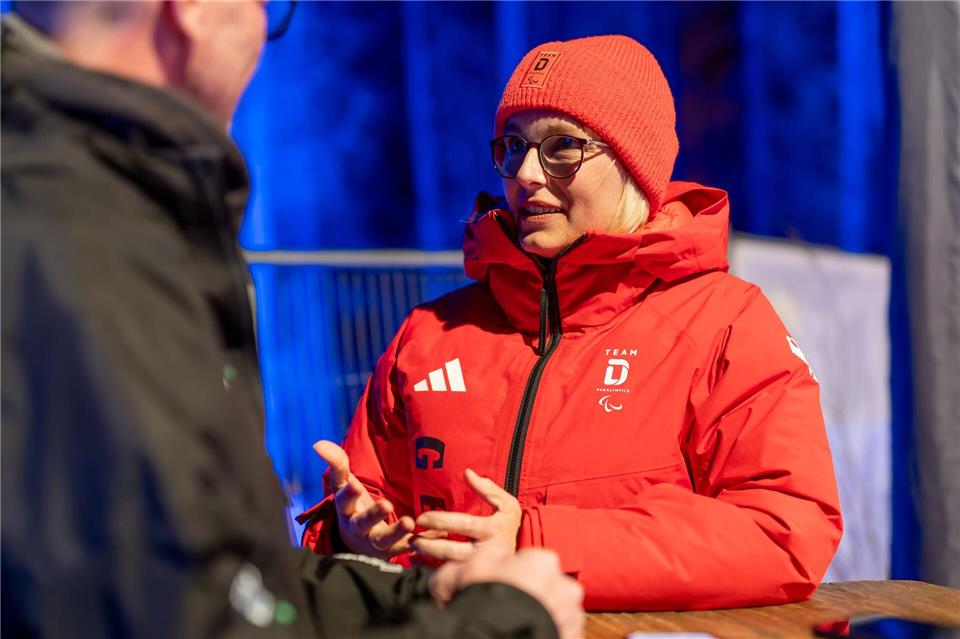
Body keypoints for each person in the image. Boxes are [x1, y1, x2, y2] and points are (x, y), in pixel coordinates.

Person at [0, 3, 584, 638]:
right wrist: (496, 623)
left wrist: (407, 594)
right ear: (194, 10)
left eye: (562, 149)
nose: (528, 176)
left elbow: (213, 576)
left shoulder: (89, 211)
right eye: (265, 5)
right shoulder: (79, 245)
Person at [300, 34, 844, 611]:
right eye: (513, 146)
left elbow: (784, 532)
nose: (526, 173)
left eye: (561, 146)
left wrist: (536, 545)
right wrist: (353, 536)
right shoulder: (431, 333)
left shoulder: (726, 323)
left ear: (632, 165)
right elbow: (377, 508)